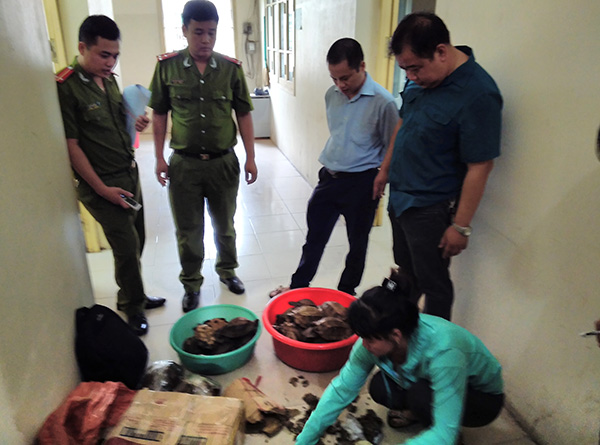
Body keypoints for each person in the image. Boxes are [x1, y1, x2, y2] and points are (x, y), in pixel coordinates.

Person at [373, 12, 503, 320]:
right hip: (401, 199)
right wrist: (385, 170)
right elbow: (403, 123)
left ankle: (436, 344)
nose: (411, 77)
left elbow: (480, 165)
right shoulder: (421, 78)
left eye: (415, 68)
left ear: (441, 51)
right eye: (405, 69)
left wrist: (460, 226)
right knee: (406, 272)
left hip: (429, 209)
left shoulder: (478, 93)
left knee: (435, 285)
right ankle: (400, 331)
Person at [295, 271, 505, 445]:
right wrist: (305, 440)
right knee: (379, 387)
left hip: (481, 398)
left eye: (369, 339)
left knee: (421, 397)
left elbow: (444, 434)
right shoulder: (377, 337)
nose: (364, 345)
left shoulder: (445, 350)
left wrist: (444, 434)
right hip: (426, 379)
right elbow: (341, 390)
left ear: (395, 335)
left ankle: (442, 421)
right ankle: (418, 411)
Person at [56, 15, 165, 336]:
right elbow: (72, 146)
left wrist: (137, 123)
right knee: (126, 247)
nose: (111, 62)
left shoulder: (110, 80)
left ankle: (131, 293)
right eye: (104, 55)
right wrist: (103, 189)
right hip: (102, 185)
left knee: (137, 239)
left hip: (128, 175)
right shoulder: (67, 87)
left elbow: (120, 122)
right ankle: (133, 306)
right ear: (82, 48)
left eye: (115, 55)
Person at [149, 0, 258, 312]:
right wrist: (159, 157)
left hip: (223, 162)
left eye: (212, 32)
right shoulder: (167, 67)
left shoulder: (230, 69)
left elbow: (243, 114)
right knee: (189, 230)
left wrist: (251, 157)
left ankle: (228, 271)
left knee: (225, 225)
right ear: (185, 30)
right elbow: (159, 114)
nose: (206, 39)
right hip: (184, 165)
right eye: (198, 32)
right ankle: (192, 283)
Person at [269, 38, 399, 298]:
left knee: (357, 243)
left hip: (362, 183)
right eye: (334, 79)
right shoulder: (332, 95)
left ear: (362, 66)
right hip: (329, 177)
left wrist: (382, 175)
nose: (340, 85)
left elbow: (392, 146)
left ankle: (346, 294)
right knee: (314, 238)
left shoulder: (384, 102)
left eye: (345, 78)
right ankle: (298, 286)